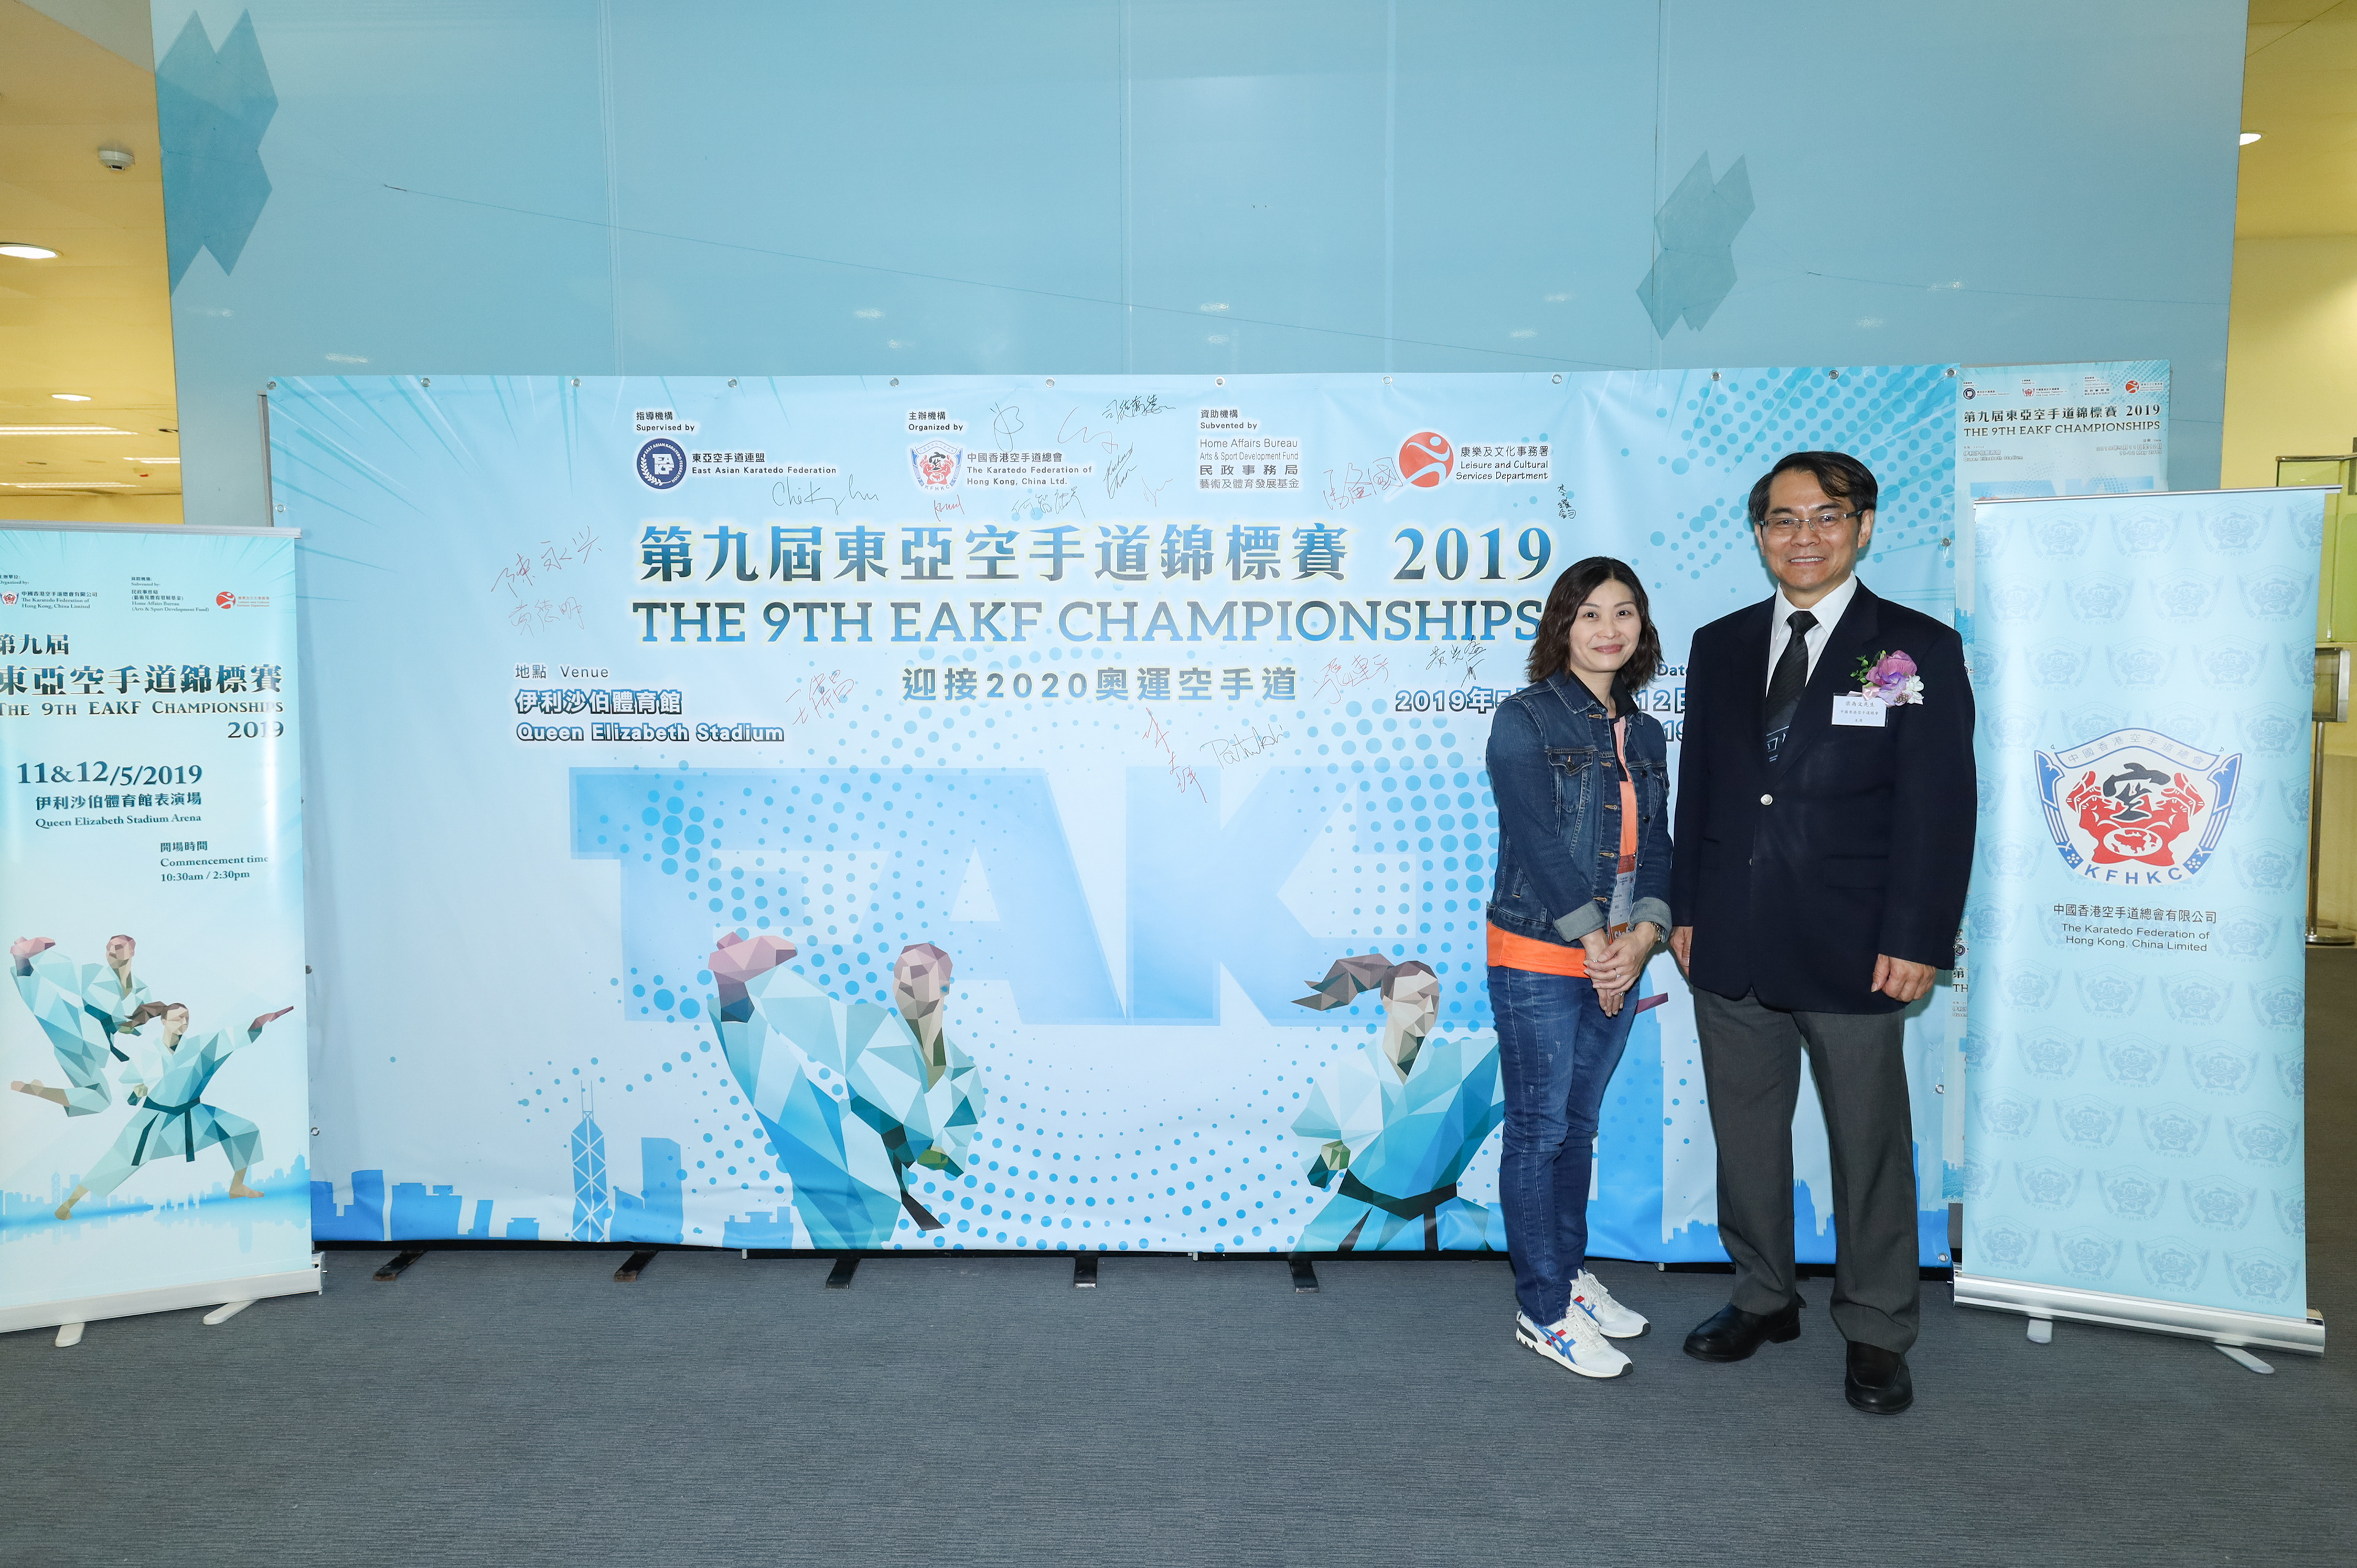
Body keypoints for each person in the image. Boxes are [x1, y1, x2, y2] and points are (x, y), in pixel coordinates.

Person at [1667, 450, 1975, 1416]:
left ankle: (1878, 1323)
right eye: (1782, 518)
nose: (1803, 535)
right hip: (1730, 935)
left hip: (1857, 944)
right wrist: (1684, 908)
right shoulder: (1720, 643)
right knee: (1746, 1131)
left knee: (1868, 1140)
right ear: (1760, 533)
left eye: (1826, 516)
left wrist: (1919, 933)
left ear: (1864, 526)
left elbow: (1939, 802)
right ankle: (1763, 1295)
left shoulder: (1911, 646)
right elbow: (1703, 784)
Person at [1484, 555, 1673, 1380]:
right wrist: (1598, 942)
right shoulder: (1524, 718)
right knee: (1539, 1128)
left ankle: (1567, 1272)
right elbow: (1536, 840)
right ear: (1563, 625)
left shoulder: (1648, 731)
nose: (1608, 628)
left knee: (1579, 1124)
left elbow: (1660, 843)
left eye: (1624, 611)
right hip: (1541, 950)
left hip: (1621, 956)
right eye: (1589, 612)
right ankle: (1544, 1308)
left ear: (1642, 627)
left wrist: (1644, 936)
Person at [1288, 956, 1507, 1253]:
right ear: (1387, 1001)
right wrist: (1350, 1143)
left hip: (1443, 1214)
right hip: (1360, 1212)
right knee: (1307, 1252)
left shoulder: (1463, 1066)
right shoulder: (1348, 1075)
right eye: (1414, 1000)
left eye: (1433, 1001)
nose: (1426, 1010)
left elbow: (1518, 1065)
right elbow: (1317, 1172)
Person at [54, 999, 293, 1219]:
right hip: (154, 1121)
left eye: (187, 1019)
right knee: (117, 1162)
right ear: (164, 1021)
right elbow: (130, 1091)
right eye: (178, 1019)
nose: (184, 1023)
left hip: (193, 1115)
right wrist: (137, 1091)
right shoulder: (148, 1056)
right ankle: (69, 1204)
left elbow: (229, 1038)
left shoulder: (199, 1047)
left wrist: (260, 1022)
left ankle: (237, 1186)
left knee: (244, 1131)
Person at [9, 934, 150, 1116]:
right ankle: (23, 962)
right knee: (49, 1008)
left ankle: (39, 1091)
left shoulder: (141, 990)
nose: (112, 951)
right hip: (80, 1027)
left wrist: (132, 1024)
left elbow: (137, 1029)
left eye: (119, 947)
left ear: (132, 951)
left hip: (95, 1047)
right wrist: (39, 956)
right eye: (109, 947)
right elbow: (68, 972)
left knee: (101, 1099)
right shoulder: (96, 975)